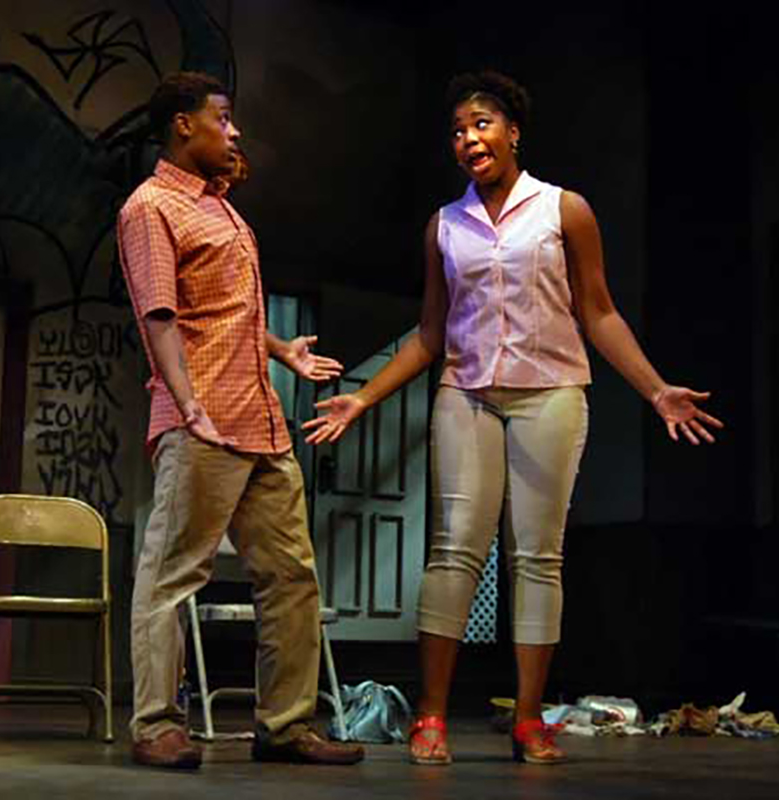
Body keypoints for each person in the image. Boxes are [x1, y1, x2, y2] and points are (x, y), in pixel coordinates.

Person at [302, 70, 723, 766]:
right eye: (458, 131)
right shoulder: (445, 225)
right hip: (466, 393)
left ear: (513, 131)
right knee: (454, 550)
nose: (469, 138)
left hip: (550, 391)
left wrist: (655, 392)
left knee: (537, 555)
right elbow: (430, 334)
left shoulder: (564, 210)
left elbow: (599, 312)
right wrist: (364, 396)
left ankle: (529, 720)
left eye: (482, 124)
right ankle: (431, 716)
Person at [117, 71, 364, 769]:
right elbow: (160, 317)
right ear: (183, 124)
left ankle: (284, 725)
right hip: (202, 421)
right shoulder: (151, 207)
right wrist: (188, 404)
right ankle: (156, 725)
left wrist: (281, 350)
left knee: (292, 575)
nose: (235, 131)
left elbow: (224, 315)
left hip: (261, 421)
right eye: (222, 118)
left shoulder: (220, 208)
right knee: (172, 576)